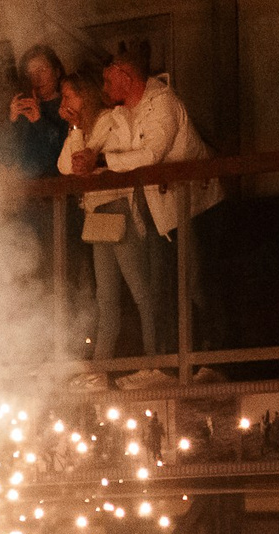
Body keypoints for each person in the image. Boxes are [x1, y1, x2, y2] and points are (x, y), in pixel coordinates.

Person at [89, 45, 224, 384]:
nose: (104, 87)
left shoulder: (163, 102)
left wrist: (103, 163)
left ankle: (215, 363)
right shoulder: (124, 113)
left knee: (195, 284)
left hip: (191, 206)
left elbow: (150, 153)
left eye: (109, 78)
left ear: (127, 75)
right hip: (157, 211)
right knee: (163, 287)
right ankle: (168, 367)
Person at [60, 72, 165, 383]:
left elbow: (103, 159)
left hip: (118, 208)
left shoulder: (111, 120)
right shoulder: (80, 129)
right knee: (105, 298)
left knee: (140, 290)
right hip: (96, 214)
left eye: (69, 96)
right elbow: (67, 166)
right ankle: (99, 370)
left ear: (85, 96)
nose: (65, 103)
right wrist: (76, 129)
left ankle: (154, 363)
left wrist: (92, 160)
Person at [4, 45, 71, 177]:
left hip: (63, 186)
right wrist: (12, 121)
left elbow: (64, 155)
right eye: (30, 74)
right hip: (29, 190)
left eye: (42, 70)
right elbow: (5, 158)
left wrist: (39, 121)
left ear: (57, 72)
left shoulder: (69, 105)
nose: (37, 79)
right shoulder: (23, 110)